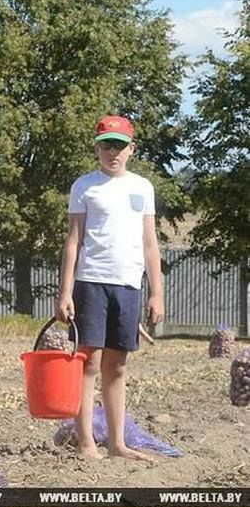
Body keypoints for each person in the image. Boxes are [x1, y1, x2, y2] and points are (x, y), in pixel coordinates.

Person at [56, 115, 164, 462]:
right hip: (91, 282)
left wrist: (156, 292)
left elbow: (150, 244)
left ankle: (117, 444)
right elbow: (73, 241)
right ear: (97, 147)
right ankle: (86, 441)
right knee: (88, 362)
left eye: (119, 145)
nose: (112, 151)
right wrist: (65, 292)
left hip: (128, 284)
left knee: (117, 366)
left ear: (131, 149)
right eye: (106, 144)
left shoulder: (143, 188)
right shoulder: (83, 186)